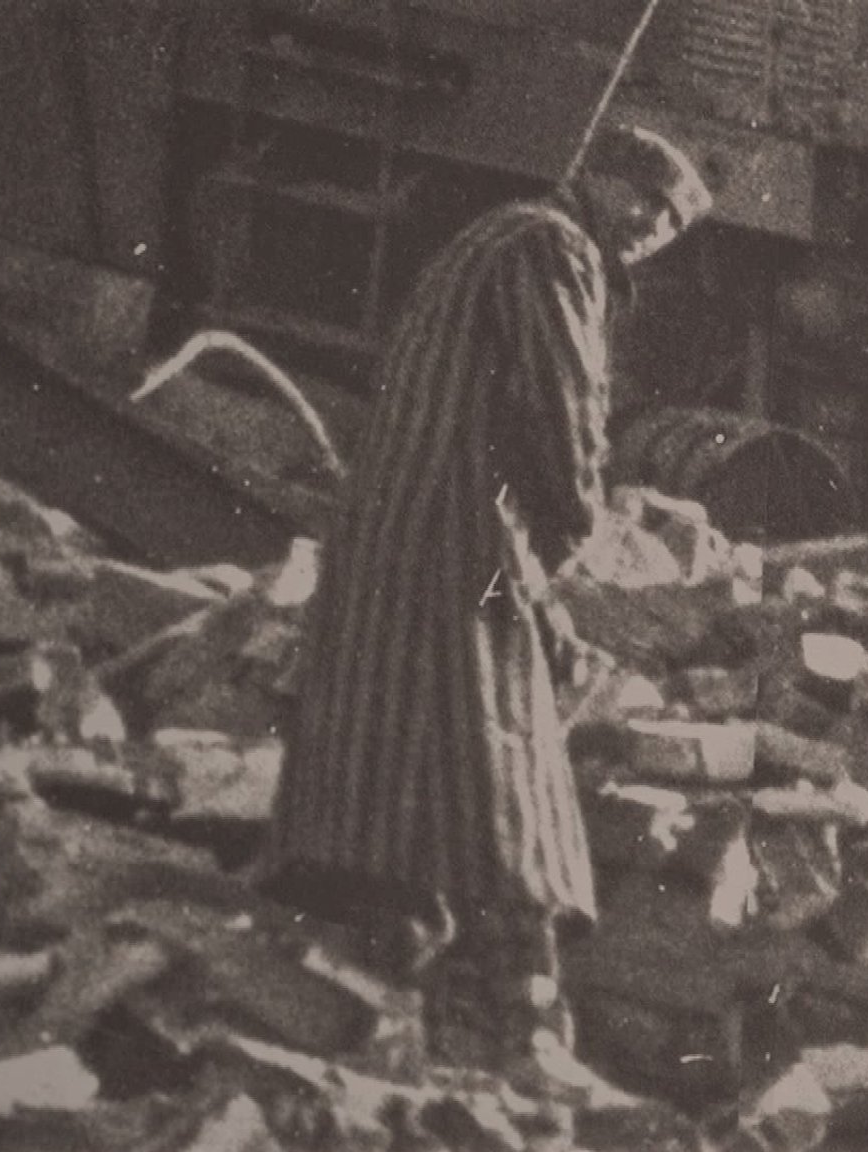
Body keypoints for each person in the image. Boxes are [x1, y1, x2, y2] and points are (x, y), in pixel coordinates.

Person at [262, 124, 713, 1075]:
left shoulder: (490, 234)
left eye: (670, 222)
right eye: (643, 200)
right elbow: (564, 405)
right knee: (505, 766)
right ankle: (520, 1025)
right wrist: (575, 529)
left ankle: (387, 994)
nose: (650, 228)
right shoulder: (552, 248)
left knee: (386, 761)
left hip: (388, 531)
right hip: (464, 536)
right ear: (592, 175)